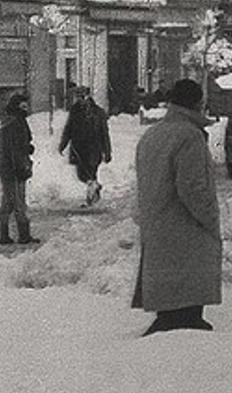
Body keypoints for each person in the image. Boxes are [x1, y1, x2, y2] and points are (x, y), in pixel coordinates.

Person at [133, 79, 222, 335]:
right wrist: (211, 219)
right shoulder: (189, 136)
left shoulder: (153, 134)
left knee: (170, 300)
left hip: (158, 228)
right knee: (186, 314)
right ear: (198, 104)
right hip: (185, 231)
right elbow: (193, 189)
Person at [0, 91, 38, 245]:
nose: (26, 108)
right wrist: (22, 166)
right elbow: (14, 148)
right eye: (23, 105)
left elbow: (18, 145)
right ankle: (23, 235)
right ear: (17, 106)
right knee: (18, 202)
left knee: (8, 202)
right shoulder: (15, 122)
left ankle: (4, 235)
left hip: (10, 167)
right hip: (14, 169)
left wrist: (27, 148)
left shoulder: (14, 120)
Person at [58, 86, 112, 207]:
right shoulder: (75, 111)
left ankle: (90, 199)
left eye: (82, 97)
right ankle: (94, 191)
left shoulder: (98, 112)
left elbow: (104, 133)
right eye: (78, 97)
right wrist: (63, 144)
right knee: (83, 174)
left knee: (90, 173)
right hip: (79, 148)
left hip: (93, 148)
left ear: (87, 97)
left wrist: (107, 151)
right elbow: (69, 128)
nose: (79, 100)